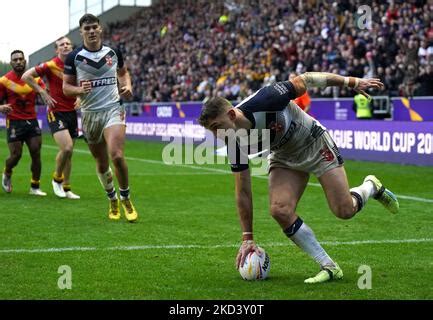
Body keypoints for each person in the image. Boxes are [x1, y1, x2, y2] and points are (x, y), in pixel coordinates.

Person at [198, 72, 399, 284]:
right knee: (279, 209)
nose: (216, 135)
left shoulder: (266, 99)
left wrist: (353, 82)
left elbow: (308, 79)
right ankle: (329, 266)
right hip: (284, 156)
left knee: (344, 210)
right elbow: (243, 189)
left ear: (231, 115)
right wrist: (247, 238)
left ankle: (371, 186)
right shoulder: (232, 141)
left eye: (216, 127)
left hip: (314, 142)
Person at [62, 14, 138, 222]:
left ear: (100, 29)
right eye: (87, 29)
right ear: (81, 32)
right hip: (89, 114)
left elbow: (123, 73)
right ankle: (112, 198)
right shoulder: (74, 57)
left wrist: (128, 86)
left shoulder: (113, 52)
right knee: (102, 163)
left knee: (117, 155)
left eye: (94, 27)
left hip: (113, 108)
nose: (92, 31)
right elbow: (66, 88)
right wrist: (79, 89)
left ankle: (126, 198)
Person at [22, 36, 80, 199]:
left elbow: (83, 83)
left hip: (72, 113)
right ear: (57, 50)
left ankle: (67, 188)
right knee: (67, 147)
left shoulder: (77, 64)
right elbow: (26, 76)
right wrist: (41, 91)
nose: (66, 46)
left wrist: (80, 98)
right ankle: (57, 179)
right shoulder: (51, 64)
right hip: (56, 111)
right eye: (62, 44)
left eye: (68, 43)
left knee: (69, 153)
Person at [0, 50, 47, 196]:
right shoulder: (4, 81)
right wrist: (1, 107)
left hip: (31, 121)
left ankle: (35, 186)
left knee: (36, 152)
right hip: (14, 122)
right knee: (16, 155)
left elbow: (46, 94)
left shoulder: (35, 80)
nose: (19, 61)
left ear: (25, 61)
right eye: (15, 60)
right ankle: (7, 173)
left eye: (21, 59)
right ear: (11, 62)